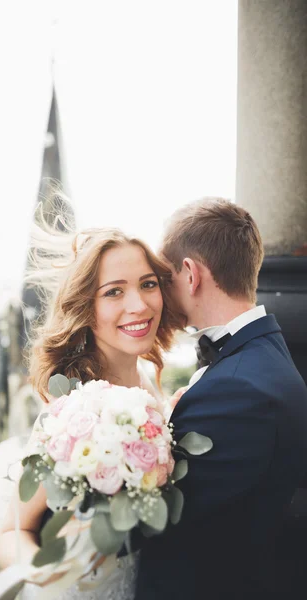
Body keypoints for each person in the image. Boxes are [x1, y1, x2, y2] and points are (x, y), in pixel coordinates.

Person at [0, 223, 184, 600]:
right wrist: (46, 572)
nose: (140, 304)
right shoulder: (72, 415)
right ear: (86, 306)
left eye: (148, 284)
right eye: (114, 291)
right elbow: (13, 531)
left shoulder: (145, 380)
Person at [135, 197, 307, 600]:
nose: (159, 291)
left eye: (164, 276)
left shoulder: (237, 388)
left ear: (191, 274)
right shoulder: (262, 355)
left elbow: (168, 525)